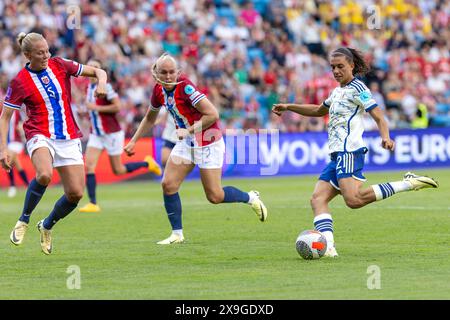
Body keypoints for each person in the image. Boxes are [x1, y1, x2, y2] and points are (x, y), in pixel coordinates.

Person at [272, 47, 439, 257]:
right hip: (337, 155)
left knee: (353, 200)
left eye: (340, 66)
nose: (336, 71)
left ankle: (408, 183)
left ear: (352, 65)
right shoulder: (337, 91)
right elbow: (317, 110)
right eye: (333, 67)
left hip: (349, 152)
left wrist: (385, 136)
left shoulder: (359, 88)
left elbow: (378, 116)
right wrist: (288, 107)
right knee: (317, 199)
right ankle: (329, 248)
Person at [124, 53, 268, 245]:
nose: (168, 76)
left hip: (208, 142)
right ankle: (177, 234)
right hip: (187, 143)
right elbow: (150, 118)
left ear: (178, 72)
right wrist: (134, 141)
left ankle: (250, 197)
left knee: (215, 196)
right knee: (168, 185)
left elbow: (212, 114)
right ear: (155, 73)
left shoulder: (186, 87)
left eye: (171, 72)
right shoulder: (158, 90)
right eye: (163, 72)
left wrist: (189, 130)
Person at [0, 32, 108, 255]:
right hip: (39, 133)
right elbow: (5, 117)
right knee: (44, 175)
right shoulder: (20, 81)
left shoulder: (60, 64)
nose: (47, 55)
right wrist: (2, 149)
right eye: (41, 53)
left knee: (76, 194)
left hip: (68, 137)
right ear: (28, 55)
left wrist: (102, 83)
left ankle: (46, 224)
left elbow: (98, 71)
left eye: (47, 50)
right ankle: (24, 220)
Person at [78, 59, 162, 213]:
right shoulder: (88, 88)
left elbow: (118, 106)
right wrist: (85, 112)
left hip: (112, 133)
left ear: (100, 70)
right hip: (96, 133)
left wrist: (94, 108)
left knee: (119, 170)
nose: (92, 69)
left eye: (95, 67)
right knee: (89, 166)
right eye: (90, 66)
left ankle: (147, 164)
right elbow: (93, 111)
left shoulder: (106, 87)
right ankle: (93, 203)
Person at [4, 108, 29, 197]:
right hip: (8, 143)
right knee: (17, 164)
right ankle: (28, 185)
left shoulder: (18, 113)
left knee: (8, 161)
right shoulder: (4, 112)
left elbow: (24, 123)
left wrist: (21, 127)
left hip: (17, 142)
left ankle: (12, 185)